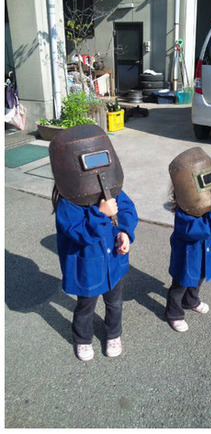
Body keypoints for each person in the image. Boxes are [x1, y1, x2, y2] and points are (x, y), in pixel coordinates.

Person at [49, 125, 138, 361]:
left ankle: (113, 334)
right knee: (86, 307)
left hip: (113, 263)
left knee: (115, 303)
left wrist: (124, 233)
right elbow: (80, 234)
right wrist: (100, 213)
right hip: (86, 268)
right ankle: (82, 339)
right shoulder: (68, 204)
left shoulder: (112, 190)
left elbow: (127, 210)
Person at [165, 147, 211, 332]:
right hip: (188, 257)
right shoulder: (183, 213)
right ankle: (174, 313)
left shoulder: (210, 204)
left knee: (199, 277)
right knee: (181, 283)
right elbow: (193, 231)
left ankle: (191, 300)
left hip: (205, 253)